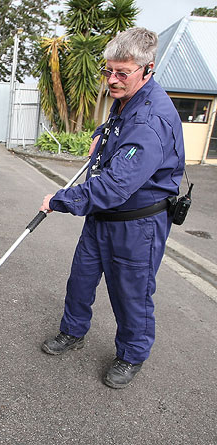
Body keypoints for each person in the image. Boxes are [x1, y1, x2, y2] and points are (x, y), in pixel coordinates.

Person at [40, 27, 185, 388]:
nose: (112, 80)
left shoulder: (152, 119)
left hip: (137, 224)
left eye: (122, 73)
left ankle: (132, 354)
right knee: (81, 280)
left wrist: (61, 200)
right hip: (102, 218)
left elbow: (116, 185)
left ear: (147, 69)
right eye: (108, 71)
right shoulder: (128, 100)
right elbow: (115, 127)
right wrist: (98, 136)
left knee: (131, 293)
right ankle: (73, 332)